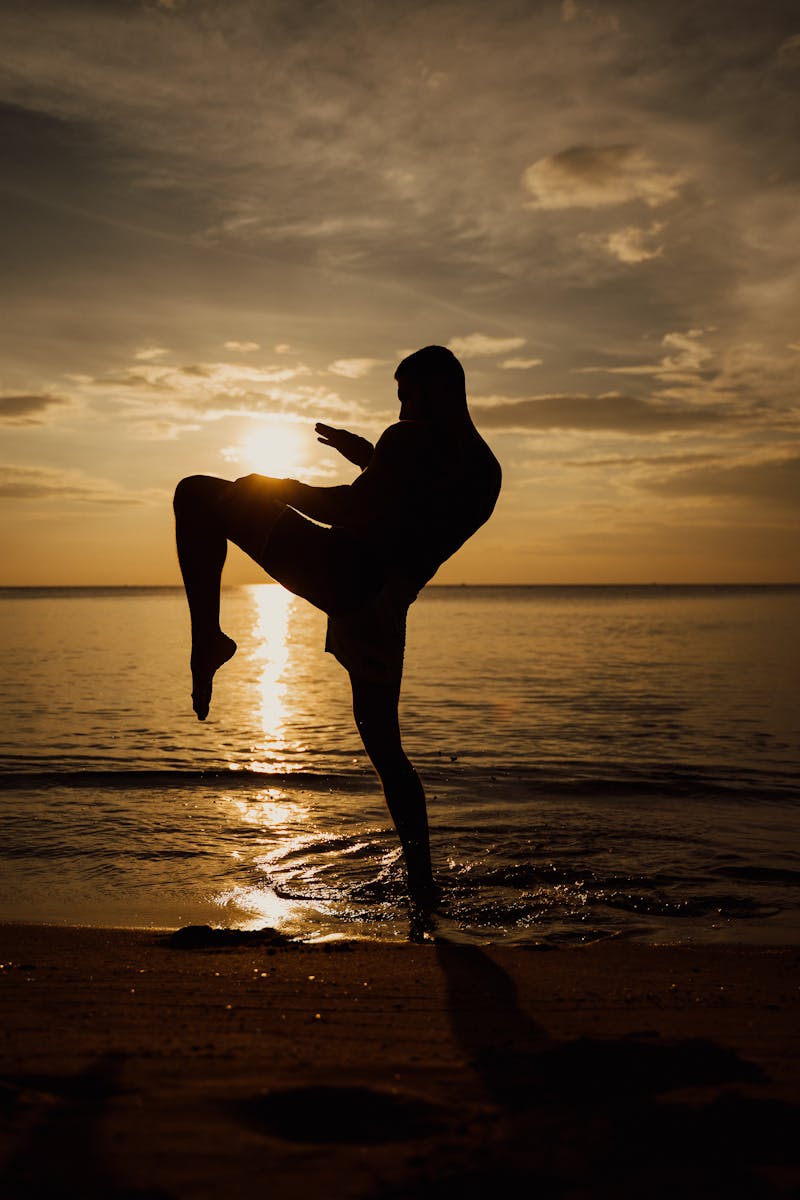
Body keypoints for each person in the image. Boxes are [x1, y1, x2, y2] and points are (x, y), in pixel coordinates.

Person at [173, 345, 501, 906]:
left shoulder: (408, 442)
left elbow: (350, 512)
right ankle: (423, 886)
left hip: (341, 569)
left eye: (407, 396)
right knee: (387, 751)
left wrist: (274, 486)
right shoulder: (484, 469)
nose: (400, 410)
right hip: (383, 609)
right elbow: (410, 511)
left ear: (438, 389)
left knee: (197, 493)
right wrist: (372, 460)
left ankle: (209, 638)